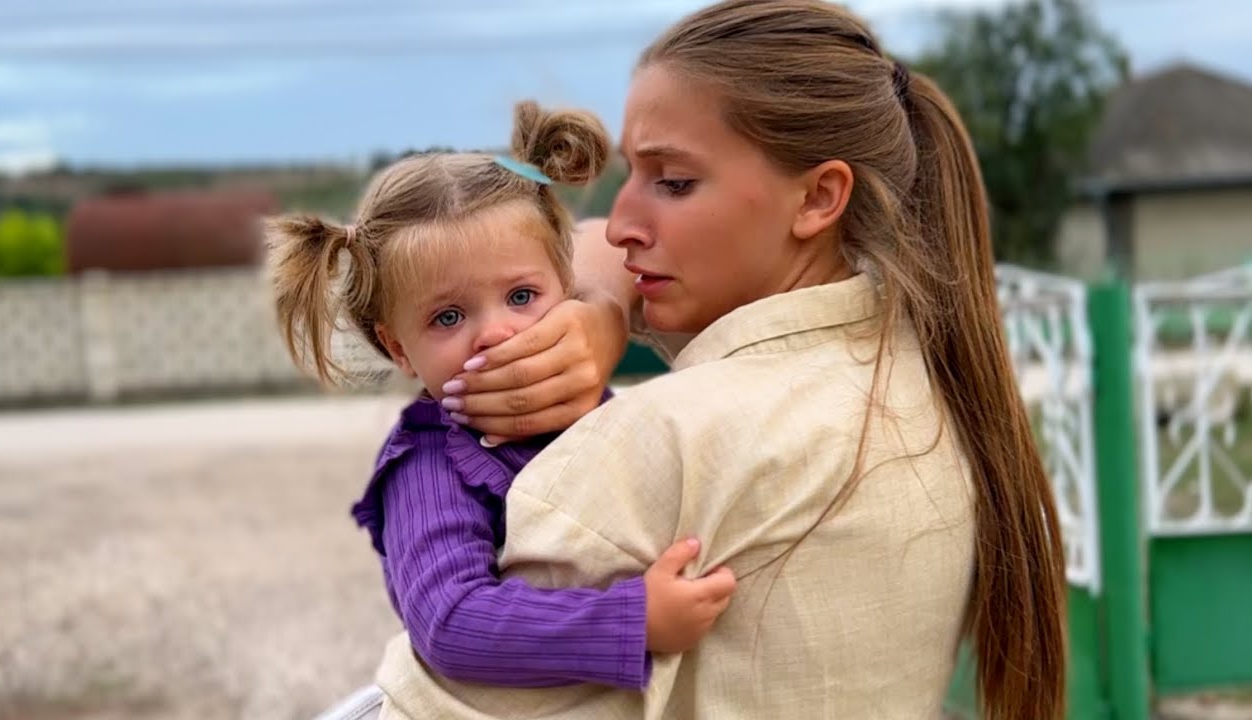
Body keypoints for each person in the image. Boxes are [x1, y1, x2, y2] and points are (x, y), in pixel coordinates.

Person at [372, 1, 1068, 718]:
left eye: (672, 182)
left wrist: (606, 305)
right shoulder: (927, 385)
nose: (623, 224)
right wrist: (606, 306)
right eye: (631, 176)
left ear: (820, 197)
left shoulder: (665, 437)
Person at [265, 100, 737, 691]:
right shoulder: (431, 467)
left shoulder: (595, 404)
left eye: (520, 297)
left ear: (568, 288)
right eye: (448, 316)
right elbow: (450, 623)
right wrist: (632, 620)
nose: (494, 332)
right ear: (400, 348)